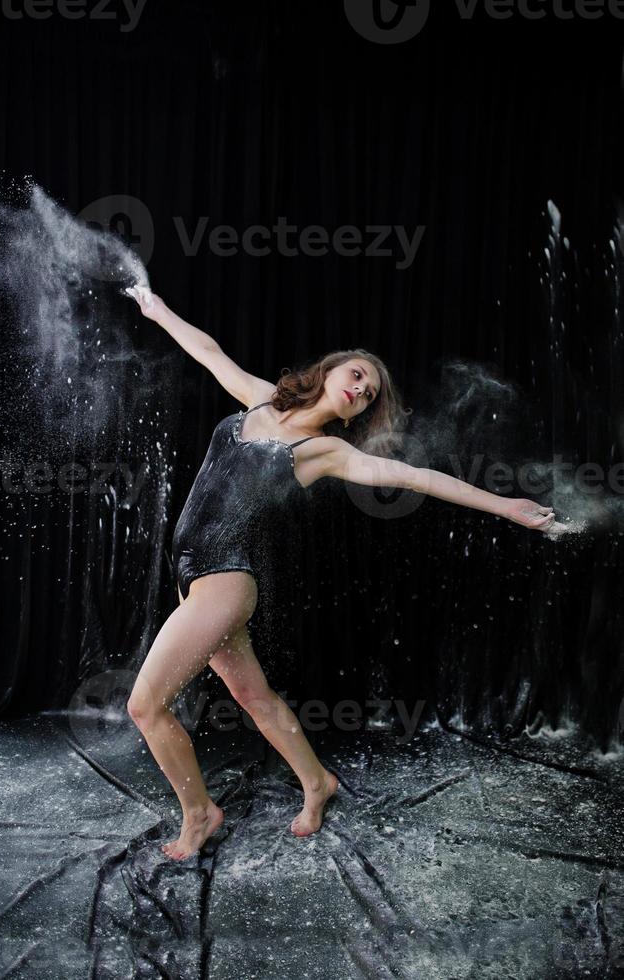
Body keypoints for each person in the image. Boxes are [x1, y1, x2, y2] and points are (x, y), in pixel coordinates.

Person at [124, 285, 556, 861]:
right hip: (194, 573)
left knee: (145, 706)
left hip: (227, 578)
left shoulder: (326, 453)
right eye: (356, 375)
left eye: (368, 394)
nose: (359, 389)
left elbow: (418, 478)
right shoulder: (260, 401)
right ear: (329, 371)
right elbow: (209, 351)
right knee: (253, 694)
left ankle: (200, 815)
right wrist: (157, 309)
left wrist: (508, 506)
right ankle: (318, 782)